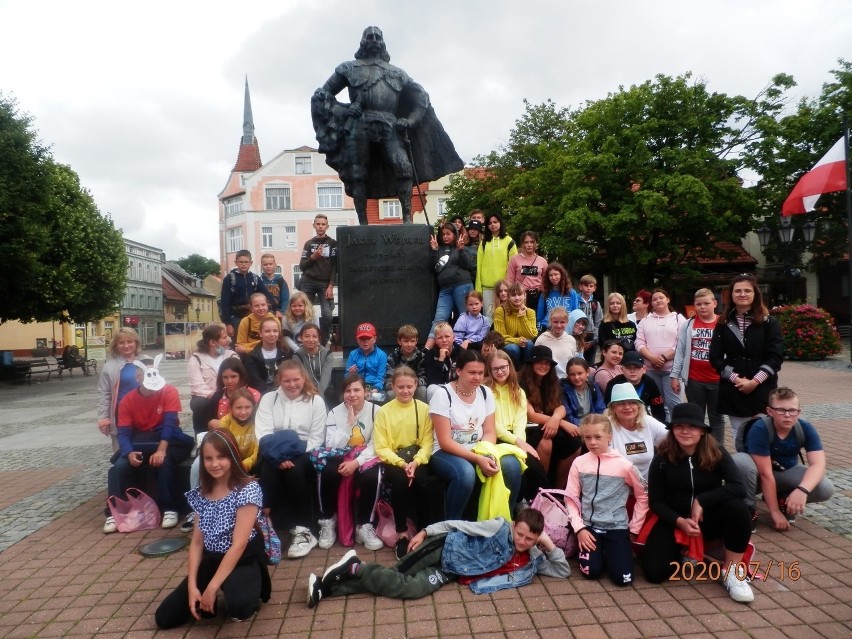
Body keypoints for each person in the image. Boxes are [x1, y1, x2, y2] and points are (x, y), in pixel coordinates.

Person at [311, 26, 462, 225]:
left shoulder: (397, 73)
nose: (373, 39)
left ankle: (407, 219)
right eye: (369, 36)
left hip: (389, 125)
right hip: (359, 126)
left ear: (382, 42)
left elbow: (421, 99)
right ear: (363, 41)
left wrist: (409, 121)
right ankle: (363, 223)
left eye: (377, 37)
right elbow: (322, 95)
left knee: (403, 167)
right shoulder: (347, 68)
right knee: (358, 174)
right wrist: (346, 111)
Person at [307, 508, 569, 607]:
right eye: (520, 534)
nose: (522, 542)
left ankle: (335, 580)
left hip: (451, 571)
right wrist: (424, 531)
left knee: (411, 589)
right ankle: (334, 585)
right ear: (514, 525)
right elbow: (459, 524)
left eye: (529, 539)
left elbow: (562, 570)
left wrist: (547, 543)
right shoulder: (499, 528)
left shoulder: (532, 558)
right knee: (397, 575)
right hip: (442, 547)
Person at [155, 430, 270, 628]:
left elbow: (239, 545)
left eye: (221, 457)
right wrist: (192, 585)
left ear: (232, 456)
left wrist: (211, 588)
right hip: (212, 558)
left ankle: (251, 579)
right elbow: (197, 542)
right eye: (208, 458)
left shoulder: (247, 489)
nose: (214, 464)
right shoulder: (203, 492)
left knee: (239, 609)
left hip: (241, 559)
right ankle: (214, 584)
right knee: (165, 618)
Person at [642, 403, 754, 603]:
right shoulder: (662, 456)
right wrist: (679, 521)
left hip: (709, 516)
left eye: (692, 426)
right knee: (654, 573)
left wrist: (702, 501)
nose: (685, 431)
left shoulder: (716, 450)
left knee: (738, 507)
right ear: (672, 429)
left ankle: (733, 571)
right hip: (675, 519)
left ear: (702, 431)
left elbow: (738, 486)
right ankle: (688, 551)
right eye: (679, 426)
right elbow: (656, 501)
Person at [428, 349, 523, 520]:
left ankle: (502, 522)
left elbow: (489, 432)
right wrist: (477, 459)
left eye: (480, 373)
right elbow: (444, 441)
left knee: (512, 465)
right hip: (445, 452)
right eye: (472, 372)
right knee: (465, 473)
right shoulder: (442, 394)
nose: (477, 377)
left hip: (479, 448)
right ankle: (452, 526)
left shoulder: (485, 393)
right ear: (458, 371)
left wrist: (486, 454)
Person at [104, 355, 195, 533]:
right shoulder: (128, 400)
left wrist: (161, 450)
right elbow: (123, 432)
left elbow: (170, 423)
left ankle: (169, 508)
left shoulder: (169, 391)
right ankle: (112, 512)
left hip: (164, 437)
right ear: (138, 378)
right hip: (141, 439)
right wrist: (129, 452)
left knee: (165, 461)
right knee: (118, 467)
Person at [732, 387, 834, 532]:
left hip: (783, 473)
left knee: (825, 487)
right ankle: (747, 509)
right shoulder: (760, 428)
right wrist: (774, 513)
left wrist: (802, 490)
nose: (787, 415)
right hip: (756, 478)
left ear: (799, 412)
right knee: (740, 462)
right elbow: (766, 474)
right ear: (770, 411)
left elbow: (818, 464)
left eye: (792, 410)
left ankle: (784, 500)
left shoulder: (805, 428)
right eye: (781, 410)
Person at [255, 360, 327, 558]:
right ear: (279, 380)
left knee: (295, 471)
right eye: (287, 380)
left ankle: (305, 528)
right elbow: (263, 432)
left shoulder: (315, 401)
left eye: (296, 379)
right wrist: (278, 457)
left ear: (303, 379)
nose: (292, 384)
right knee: (268, 469)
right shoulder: (269, 399)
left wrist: (288, 454)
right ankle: (270, 527)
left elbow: (316, 438)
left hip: (302, 450)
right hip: (273, 450)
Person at [566, 414, 648, 586]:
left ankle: (613, 552)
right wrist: (579, 529)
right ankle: (600, 554)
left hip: (616, 527)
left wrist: (634, 528)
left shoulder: (625, 465)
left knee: (623, 579)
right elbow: (571, 498)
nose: (593, 442)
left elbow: (643, 495)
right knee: (591, 572)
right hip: (589, 528)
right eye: (587, 437)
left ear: (610, 436)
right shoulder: (579, 463)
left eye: (598, 437)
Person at [709, 273, 784, 443]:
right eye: (738, 291)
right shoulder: (723, 323)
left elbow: (775, 356)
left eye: (747, 291)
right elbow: (715, 358)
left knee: (765, 433)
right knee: (740, 435)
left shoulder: (769, 323)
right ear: (731, 295)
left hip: (763, 387)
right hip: (734, 388)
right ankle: (746, 469)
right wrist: (736, 379)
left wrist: (755, 381)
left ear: (755, 294)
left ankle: (766, 469)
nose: (742, 294)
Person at [314, 374, 383, 552]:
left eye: (357, 390)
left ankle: (364, 525)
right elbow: (330, 445)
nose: (352, 395)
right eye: (347, 391)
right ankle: (328, 521)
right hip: (339, 455)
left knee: (372, 476)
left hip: (365, 455)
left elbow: (376, 443)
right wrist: (348, 425)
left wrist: (357, 463)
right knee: (326, 472)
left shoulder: (376, 411)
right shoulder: (335, 412)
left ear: (365, 392)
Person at [373, 366, 435, 558]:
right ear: (393, 387)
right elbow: (381, 446)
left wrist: (416, 462)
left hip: (417, 457)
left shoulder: (424, 409)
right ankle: (401, 534)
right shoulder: (384, 412)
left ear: (416, 385)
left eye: (409, 386)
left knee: (425, 481)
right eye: (400, 387)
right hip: (394, 460)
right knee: (401, 482)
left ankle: (425, 530)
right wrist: (401, 463)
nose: (405, 391)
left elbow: (427, 441)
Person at [485, 350, 550, 500]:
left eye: (503, 367)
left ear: (510, 366)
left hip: (516, 436)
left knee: (533, 464)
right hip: (495, 436)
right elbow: (492, 424)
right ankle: (543, 502)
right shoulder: (485, 391)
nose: (500, 372)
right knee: (528, 466)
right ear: (490, 370)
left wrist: (520, 444)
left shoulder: (518, 391)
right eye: (495, 369)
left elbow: (520, 421)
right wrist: (518, 443)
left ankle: (544, 501)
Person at [188, 389, 260, 512]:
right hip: (227, 458)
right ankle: (197, 507)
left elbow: (257, 450)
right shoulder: (225, 422)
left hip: (248, 461)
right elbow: (220, 447)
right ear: (231, 408)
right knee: (196, 465)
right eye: (238, 408)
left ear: (253, 407)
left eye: (247, 407)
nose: (243, 412)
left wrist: (246, 463)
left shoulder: (258, 422)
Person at [519, 346, 582, 489]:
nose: (544, 366)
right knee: (545, 441)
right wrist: (561, 423)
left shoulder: (552, 381)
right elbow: (531, 415)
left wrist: (556, 419)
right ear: (531, 363)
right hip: (527, 427)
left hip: (549, 422)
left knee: (575, 442)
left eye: (547, 363)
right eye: (540, 362)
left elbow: (560, 407)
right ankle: (541, 489)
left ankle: (559, 490)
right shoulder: (520, 382)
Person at [671, 288, 724, 445]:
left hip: (718, 380)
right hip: (694, 380)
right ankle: (698, 448)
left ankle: (717, 450)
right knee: (696, 417)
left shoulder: (723, 324)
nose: (702, 307)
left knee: (717, 418)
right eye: (698, 304)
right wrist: (674, 376)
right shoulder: (688, 325)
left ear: (714, 303)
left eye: (706, 303)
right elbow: (680, 352)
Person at [635, 288, 686, 422]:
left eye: (661, 297)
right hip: (651, 369)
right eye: (654, 299)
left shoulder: (678, 319)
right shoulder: (645, 321)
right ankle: (663, 434)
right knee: (657, 404)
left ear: (668, 299)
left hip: (672, 371)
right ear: (651, 303)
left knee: (674, 404)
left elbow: (682, 343)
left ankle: (677, 430)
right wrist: (652, 358)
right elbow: (639, 343)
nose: (658, 301)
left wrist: (664, 357)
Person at [605, 383, 667, 480]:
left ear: (638, 406)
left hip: (649, 482)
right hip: (618, 482)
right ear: (613, 408)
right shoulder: (606, 426)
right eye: (621, 403)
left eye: (632, 402)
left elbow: (671, 439)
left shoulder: (648, 421)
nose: (627, 407)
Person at [188, 323, 239, 434]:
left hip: (229, 393)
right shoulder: (197, 358)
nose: (229, 340)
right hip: (206, 396)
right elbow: (197, 385)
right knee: (200, 404)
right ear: (212, 342)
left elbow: (240, 376)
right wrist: (215, 395)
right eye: (224, 337)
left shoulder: (231, 355)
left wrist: (225, 393)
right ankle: (201, 436)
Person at [427, 223, 474, 343]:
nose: (445, 237)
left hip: (462, 286)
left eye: (448, 234)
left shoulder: (461, 247)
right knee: (439, 320)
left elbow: (468, 265)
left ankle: (467, 345)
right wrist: (433, 251)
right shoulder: (438, 249)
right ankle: (427, 350)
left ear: (455, 234)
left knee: (465, 317)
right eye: (443, 234)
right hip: (445, 289)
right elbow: (432, 268)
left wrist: (461, 250)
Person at [97, 328, 143, 451]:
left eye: (130, 341)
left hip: (145, 412)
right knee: (122, 451)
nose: (126, 345)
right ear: (116, 346)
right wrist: (103, 419)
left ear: (136, 343)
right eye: (121, 343)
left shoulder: (146, 362)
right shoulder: (110, 366)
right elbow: (105, 394)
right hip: (121, 414)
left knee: (146, 446)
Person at [297, 214, 337, 344]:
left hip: (324, 284)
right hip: (308, 282)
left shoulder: (333, 244)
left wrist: (331, 286)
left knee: (327, 315)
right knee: (305, 314)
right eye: (318, 224)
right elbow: (302, 266)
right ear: (314, 225)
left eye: (323, 224)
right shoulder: (309, 244)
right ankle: (305, 340)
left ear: (327, 226)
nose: (320, 226)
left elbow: (335, 267)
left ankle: (324, 342)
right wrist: (314, 257)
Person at [219, 250, 273, 339]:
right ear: (236, 262)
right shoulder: (229, 279)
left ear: (251, 263)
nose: (244, 264)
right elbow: (224, 303)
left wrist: (276, 309)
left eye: (246, 262)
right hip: (235, 316)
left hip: (252, 316)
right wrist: (228, 323)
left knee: (254, 340)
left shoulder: (255, 278)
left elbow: (267, 295)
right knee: (238, 342)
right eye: (241, 262)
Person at [604, 351, 666, 424]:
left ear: (644, 369)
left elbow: (658, 409)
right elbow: (609, 409)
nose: (632, 371)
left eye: (637, 367)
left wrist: (658, 426)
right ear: (621, 369)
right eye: (628, 368)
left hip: (643, 419)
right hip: (619, 421)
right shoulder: (614, 384)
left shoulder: (650, 382)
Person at [476, 213, 517, 313]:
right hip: (487, 287)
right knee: (489, 316)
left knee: (505, 314)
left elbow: (514, 265)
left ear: (500, 223)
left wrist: (510, 286)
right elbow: (479, 264)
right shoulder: (484, 242)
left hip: (504, 288)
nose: (493, 225)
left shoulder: (509, 241)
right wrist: (478, 288)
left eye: (495, 222)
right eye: (490, 223)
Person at [208, 359, 262, 431]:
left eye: (233, 376)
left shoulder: (254, 395)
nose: (229, 381)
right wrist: (211, 423)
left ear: (241, 376)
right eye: (225, 377)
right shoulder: (217, 396)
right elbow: (209, 419)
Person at [244, 317, 292, 395]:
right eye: (267, 331)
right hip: (262, 395)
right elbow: (255, 381)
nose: (272, 334)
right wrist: (270, 395)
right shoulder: (252, 356)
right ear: (260, 333)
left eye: (275, 331)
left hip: (285, 393)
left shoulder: (287, 353)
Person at [493, 282, 537, 367]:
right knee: (513, 348)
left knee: (530, 344)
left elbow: (531, 336)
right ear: (509, 297)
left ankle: (527, 372)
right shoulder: (500, 310)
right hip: (507, 344)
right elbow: (500, 336)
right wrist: (517, 341)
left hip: (525, 344)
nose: (517, 298)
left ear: (525, 295)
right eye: (513, 295)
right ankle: (516, 373)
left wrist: (522, 317)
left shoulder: (530, 312)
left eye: (519, 294)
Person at [506, 231, 548, 313]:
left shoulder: (542, 261)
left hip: (538, 296)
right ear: (522, 244)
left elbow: (546, 280)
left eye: (532, 242)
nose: (529, 245)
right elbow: (509, 281)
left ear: (536, 244)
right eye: (526, 242)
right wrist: (514, 296)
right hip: (521, 296)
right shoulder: (514, 259)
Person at [384, 324, 427, 402]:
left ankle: (420, 411)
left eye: (412, 341)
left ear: (416, 341)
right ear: (399, 341)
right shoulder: (393, 357)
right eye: (406, 341)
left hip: (414, 387)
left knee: (422, 390)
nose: (409, 344)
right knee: (390, 393)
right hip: (399, 387)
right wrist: (400, 386)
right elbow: (388, 380)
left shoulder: (421, 356)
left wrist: (411, 385)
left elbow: (424, 378)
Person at [295, 323, 334, 403]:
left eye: (314, 336)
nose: (311, 339)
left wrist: (318, 397)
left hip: (325, 390)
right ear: (300, 338)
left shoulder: (327, 354)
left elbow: (325, 378)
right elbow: (304, 377)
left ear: (319, 338)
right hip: (306, 390)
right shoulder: (297, 356)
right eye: (307, 336)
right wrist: (311, 394)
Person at [562, 357, 606, 426]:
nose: (576, 377)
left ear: (587, 372)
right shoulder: (564, 391)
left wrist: (595, 423)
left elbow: (600, 409)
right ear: (568, 375)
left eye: (580, 373)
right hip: (574, 427)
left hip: (593, 424)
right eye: (572, 374)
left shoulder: (593, 388)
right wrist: (584, 426)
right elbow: (568, 415)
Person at [536, 262, 580, 332]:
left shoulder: (572, 293)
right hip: (548, 328)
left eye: (556, 274)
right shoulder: (545, 293)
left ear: (561, 275)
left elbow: (576, 312)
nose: (553, 277)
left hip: (566, 328)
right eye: (550, 275)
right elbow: (540, 315)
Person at [423, 321, 461, 400]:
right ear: (435, 341)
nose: (444, 340)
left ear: (454, 338)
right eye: (440, 337)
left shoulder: (462, 353)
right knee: (431, 389)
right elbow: (433, 380)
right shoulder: (430, 354)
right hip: (440, 386)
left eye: (447, 336)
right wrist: (441, 359)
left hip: (458, 386)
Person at [346, 322, 388, 394]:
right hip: (357, 386)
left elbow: (381, 377)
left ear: (374, 339)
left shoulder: (382, 355)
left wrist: (376, 389)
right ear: (357, 340)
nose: (365, 341)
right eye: (362, 338)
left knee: (380, 398)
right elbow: (346, 376)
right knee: (344, 398)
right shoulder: (353, 354)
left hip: (374, 387)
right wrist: (351, 375)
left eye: (368, 338)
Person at [535, 307, 577, 378]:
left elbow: (572, 363)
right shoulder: (542, 339)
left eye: (562, 322)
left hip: (566, 379)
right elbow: (536, 362)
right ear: (550, 321)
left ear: (567, 322)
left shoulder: (571, 340)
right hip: (547, 379)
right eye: (555, 322)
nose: (559, 325)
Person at [577, 275, 603, 363]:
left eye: (591, 286)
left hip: (591, 336)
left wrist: (594, 340)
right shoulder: (575, 301)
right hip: (578, 336)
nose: (588, 288)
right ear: (580, 286)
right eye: (586, 285)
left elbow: (598, 323)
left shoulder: (596, 304)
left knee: (590, 364)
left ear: (594, 288)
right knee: (578, 362)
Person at [259, 253, 289, 320]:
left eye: (270, 264)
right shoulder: (259, 281)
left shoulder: (281, 281)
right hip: (263, 315)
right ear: (261, 266)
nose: (268, 266)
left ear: (275, 265)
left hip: (278, 315)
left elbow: (285, 300)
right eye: (265, 264)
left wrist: (282, 312)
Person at [462, 219, 483, 283]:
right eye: (471, 229)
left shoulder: (484, 244)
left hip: (480, 275)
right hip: (467, 277)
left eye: (475, 229)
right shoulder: (463, 244)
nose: (472, 231)